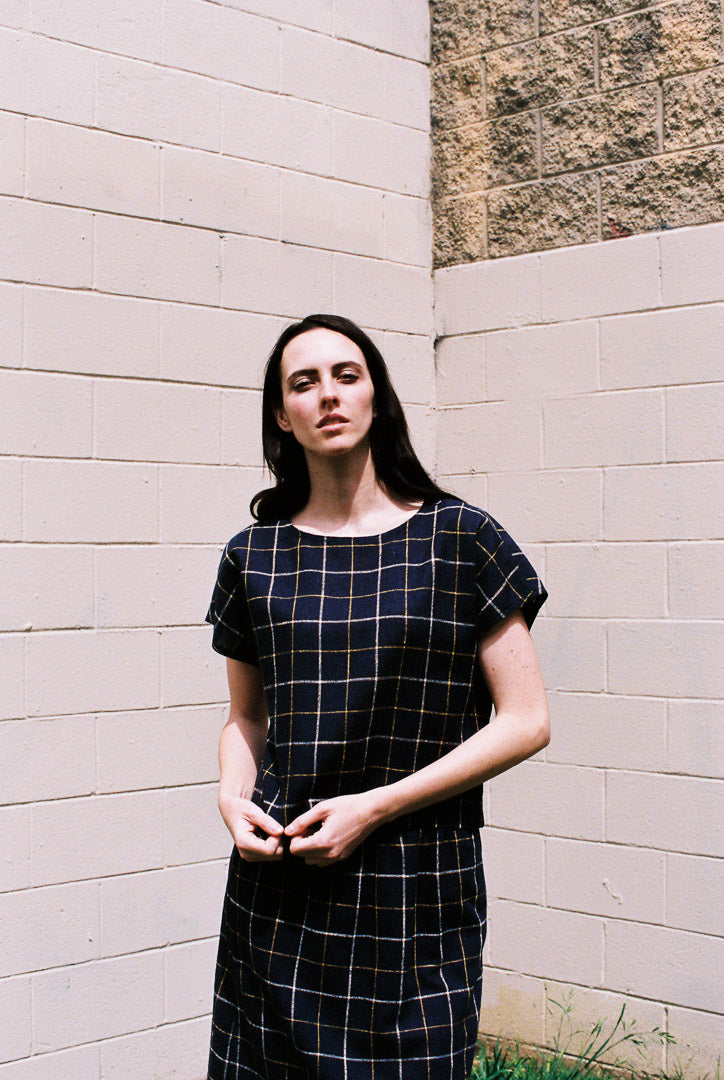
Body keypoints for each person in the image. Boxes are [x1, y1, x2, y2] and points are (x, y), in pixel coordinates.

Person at [205, 313, 549, 1080]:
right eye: (304, 382)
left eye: (345, 375)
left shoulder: (462, 538)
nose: (327, 394)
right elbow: (246, 719)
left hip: (415, 894)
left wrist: (379, 804)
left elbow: (527, 721)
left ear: (375, 397)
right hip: (278, 894)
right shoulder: (252, 555)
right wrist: (233, 798)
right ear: (281, 415)